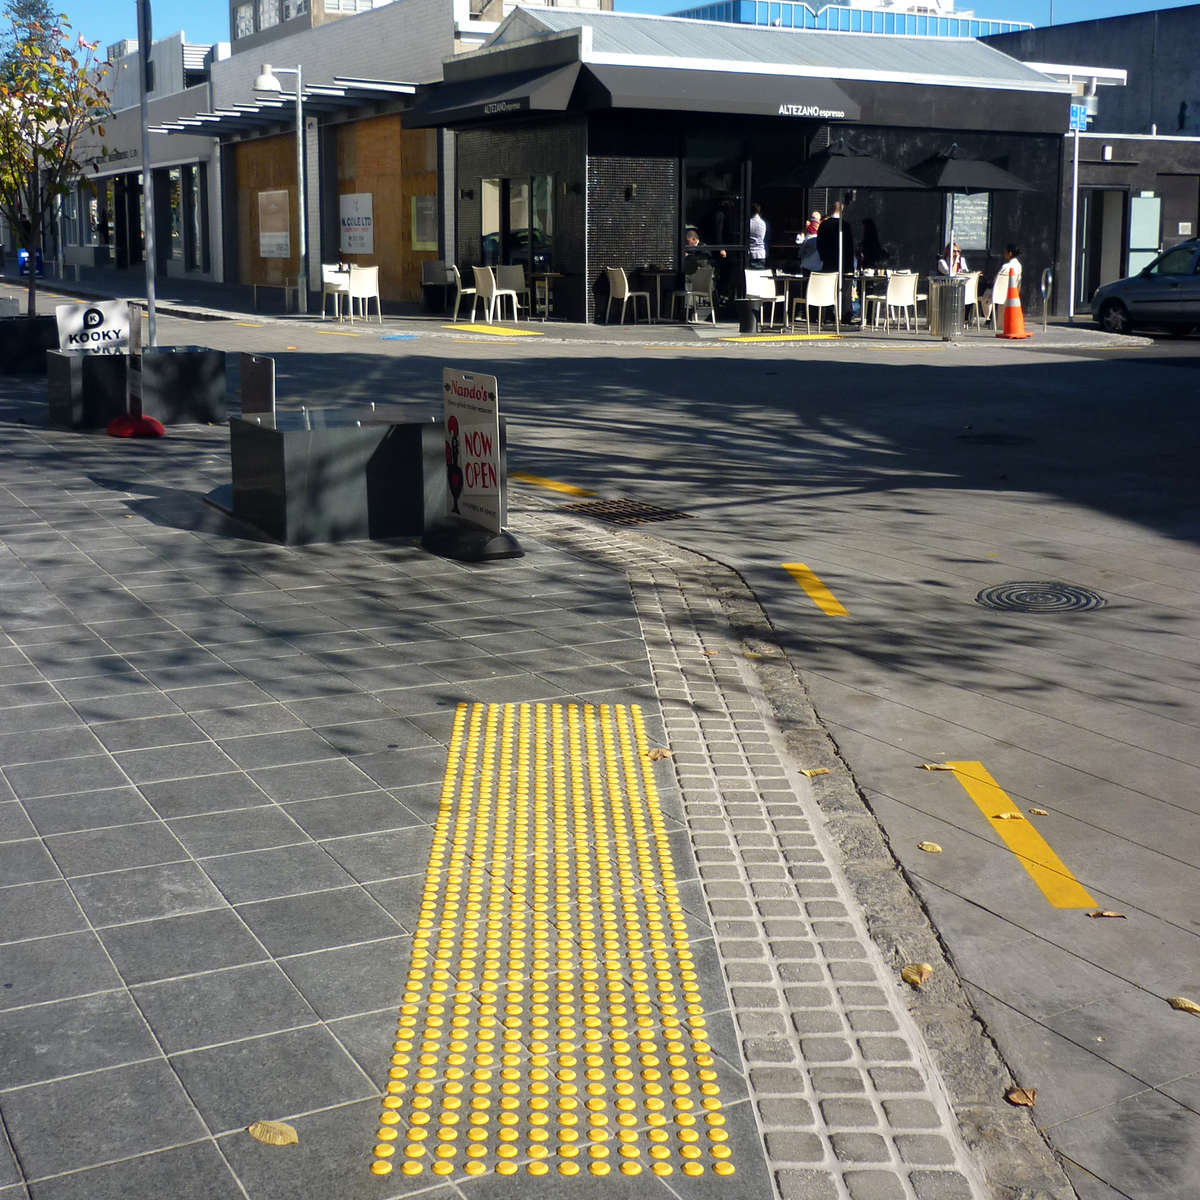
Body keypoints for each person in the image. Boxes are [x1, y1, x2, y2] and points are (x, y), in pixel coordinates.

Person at [816, 201, 855, 320]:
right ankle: (846, 315)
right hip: (844, 264)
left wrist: (823, 257)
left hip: (829, 263)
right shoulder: (846, 225)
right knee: (846, 290)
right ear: (842, 210)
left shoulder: (824, 225)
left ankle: (829, 315)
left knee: (829, 289)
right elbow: (850, 246)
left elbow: (819, 244)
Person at [748, 202, 768, 269]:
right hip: (761, 253)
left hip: (751, 254)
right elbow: (763, 237)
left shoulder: (749, 222)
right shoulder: (763, 223)